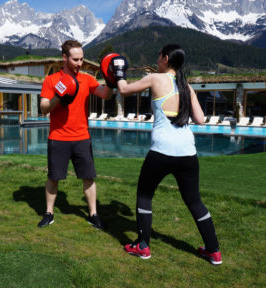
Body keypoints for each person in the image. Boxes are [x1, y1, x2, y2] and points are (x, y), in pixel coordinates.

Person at [111, 45, 222, 264]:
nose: (157, 59)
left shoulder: (155, 78)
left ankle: (143, 246)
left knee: (144, 195)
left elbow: (123, 90)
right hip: (188, 152)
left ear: (166, 58)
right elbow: (200, 120)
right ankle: (214, 251)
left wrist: (119, 71)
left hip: (162, 150)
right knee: (194, 201)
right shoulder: (186, 86)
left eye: (159, 56)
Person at [38, 40, 113, 229]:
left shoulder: (87, 79)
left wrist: (111, 82)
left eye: (82, 59)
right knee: (53, 177)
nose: (80, 63)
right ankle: (49, 213)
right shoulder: (51, 80)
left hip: (81, 137)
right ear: (65, 58)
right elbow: (43, 109)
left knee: (88, 177)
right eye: (75, 59)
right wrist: (59, 96)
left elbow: (105, 94)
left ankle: (93, 214)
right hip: (58, 137)